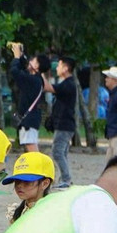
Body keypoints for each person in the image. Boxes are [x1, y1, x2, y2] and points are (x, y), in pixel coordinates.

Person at [41, 56, 78, 189]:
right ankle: (64, 178)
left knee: (57, 151)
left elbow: (47, 87)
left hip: (64, 125)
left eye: (59, 65)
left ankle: (66, 179)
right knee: (62, 152)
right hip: (64, 125)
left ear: (66, 68)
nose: (57, 68)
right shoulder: (66, 83)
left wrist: (40, 73)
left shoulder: (69, 84)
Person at [9, 42, 47, 153]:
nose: (30, 62)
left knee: (31, 147)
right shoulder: (36, 79)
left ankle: (39, 168)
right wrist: (20, 55)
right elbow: (23, 68)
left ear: (37, 66)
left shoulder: (34, 80)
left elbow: (15, 72)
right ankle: (36, 167)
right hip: (30, 119)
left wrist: (16, 57)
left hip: (29, 121)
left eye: (33, 61)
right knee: (29, 145)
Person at [3, 152, 55, 223]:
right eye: (17, 181)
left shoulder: (51, 215)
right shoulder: (16, 213)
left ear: (45, 184)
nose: (20, 185)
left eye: (27, 181)